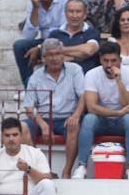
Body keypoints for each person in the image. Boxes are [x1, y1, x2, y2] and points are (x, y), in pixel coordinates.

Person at [73, 40, 129, 180]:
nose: (109, 65)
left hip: (122, 120)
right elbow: (91, 107)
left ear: (120, 60)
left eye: (113, 61)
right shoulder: (92, 74)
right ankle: (81, 166)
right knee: (88, 118)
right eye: (106, 61)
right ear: (100, 60)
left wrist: (119, 81)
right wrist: (117, 113)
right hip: (101, 120)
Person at [21, 38, 85, 178]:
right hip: (43, 118)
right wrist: (42, 124)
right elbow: (29, 107)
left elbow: (83, 96)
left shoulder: (75, 70)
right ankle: (40, 171)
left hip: (67, 117)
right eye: (50, 55)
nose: (54, 58)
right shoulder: (36, 76)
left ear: (63, 55)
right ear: (43, 58)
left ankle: (66, 171)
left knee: (74, 126)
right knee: (22, 127)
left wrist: (76, 115)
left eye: (58, 54)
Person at [13, 0, 72, 87]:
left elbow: (63, 32)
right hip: (43, 41)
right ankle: (29, 87)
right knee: (19, 46)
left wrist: (41, 47)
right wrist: (35, 8)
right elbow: (28, 36)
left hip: (64, 41)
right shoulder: (34, 1)